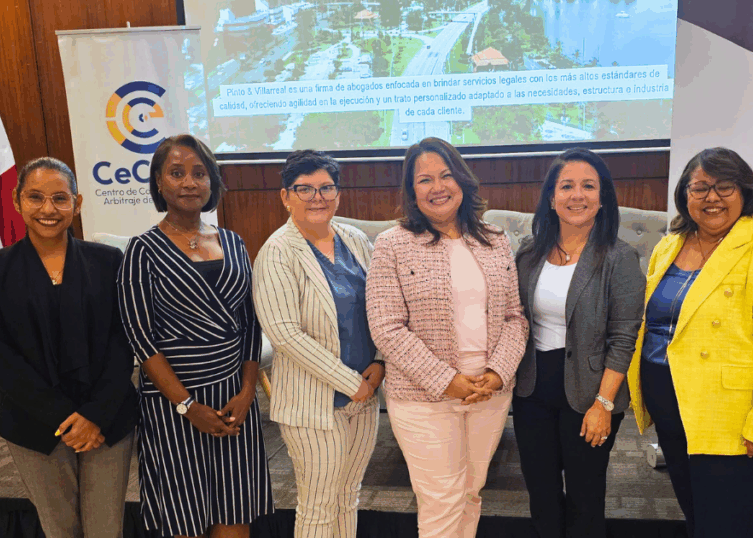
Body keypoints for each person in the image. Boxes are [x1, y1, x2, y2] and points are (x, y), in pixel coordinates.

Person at [627, 147, 753, 538]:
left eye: (724, 186)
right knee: (697, 518)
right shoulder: (669, 246)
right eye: (700, 188)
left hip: (733, 420)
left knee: (727, 526)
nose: (711, 197)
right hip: (673, 409)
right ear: (685, 195)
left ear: (746, 191)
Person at [366, 137, 528, 538]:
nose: (437, 187)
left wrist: (498, 373)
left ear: (462, 180)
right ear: (412, 191)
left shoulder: (495, 239)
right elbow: (386, 326)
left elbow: (515, 317)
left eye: (445, 175)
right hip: (423, 398)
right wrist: (446, 381)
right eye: (424, 180)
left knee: (471, 493)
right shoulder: (392, 244)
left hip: (488, 393)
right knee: (441, 501)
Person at [0, 157, 137, 538]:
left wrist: (93, 416)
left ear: (77, 203)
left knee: (105, 530)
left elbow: (122, 343)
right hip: (32, 420)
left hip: (106, 418)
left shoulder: (108, 261)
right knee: (60, 529)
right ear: (17, 200)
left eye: (60, 198)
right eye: (36, 197)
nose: (48, 209)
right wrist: (65, 417)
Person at [117, 134, 274, 538]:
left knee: (235, 514)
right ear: (158, 182)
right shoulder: (142, 251)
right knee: (182, 520)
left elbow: (250, 324)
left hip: (233, 402)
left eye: (199, 173)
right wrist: (187, 406)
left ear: (212, 182)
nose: (189, 182)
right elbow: (140, 338)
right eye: (176, 173)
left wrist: (248, 392)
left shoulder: (234, 242)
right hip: (173, 405)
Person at [512, 148, 645, 538]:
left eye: (588, 186)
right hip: (532, 389)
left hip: (591, 393)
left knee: (585, 500)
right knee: (542, 494)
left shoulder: (619, 257)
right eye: (566, 186)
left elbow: (624, 337)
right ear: (551, 198)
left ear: (602, 198)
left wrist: (604, 404)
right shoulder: (529, 253)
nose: (577, 195)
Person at [253, 150, 384, 538]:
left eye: (326, 188)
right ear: (285, 196)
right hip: (312, 404)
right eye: (304, 189)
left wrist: (379, 363)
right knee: (318, 506)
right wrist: (351, 382)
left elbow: (383, 306)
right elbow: (285, 334)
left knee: (347, 497)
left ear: (338, 194)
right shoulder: (277, 251)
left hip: (365, 396)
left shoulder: (355, 239)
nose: (317, 197)